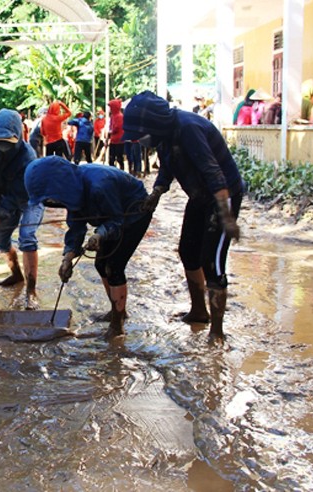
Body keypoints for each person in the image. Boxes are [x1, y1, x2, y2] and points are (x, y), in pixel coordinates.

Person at [122, 90, 243, 341]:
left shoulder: (188, 128)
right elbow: (169, 166)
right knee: (188, 250)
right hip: (200, 196)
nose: (139, 141)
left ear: (153, 125)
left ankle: (217, 332)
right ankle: (199, 311)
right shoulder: (165, 135)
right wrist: (156, 192)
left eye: (141, 135)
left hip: (222, 195)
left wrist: (226, 216)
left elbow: (212, 171)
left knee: (213, 261)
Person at [24, 156, 152, 340]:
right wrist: (67, 258)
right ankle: (117, 310)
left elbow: (116, 221)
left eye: (52, 198)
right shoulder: (72, 190)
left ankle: (117, 326)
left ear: (60, 186)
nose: (53, 203)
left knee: (114, 266)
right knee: (100, 265)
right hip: (111, 217)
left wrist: (100, 234)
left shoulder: (99, 186)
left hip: (134, 213)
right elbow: (76, 227)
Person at [0, 109, 44, 310]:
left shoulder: (28, 157)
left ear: (18, 136)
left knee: (27, 236)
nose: (2, 146)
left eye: (7, 141)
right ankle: (16, 274)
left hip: (29, 197)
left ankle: (31, 291)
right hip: (3, 194)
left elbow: (16, 197)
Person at [107, 99, 125, 170]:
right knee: (111, 157)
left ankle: (121, 170)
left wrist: (111, 132)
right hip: (113, 140)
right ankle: (112, 170)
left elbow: (117, 127)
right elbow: (111, 126)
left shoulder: (120, 116)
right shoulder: (112, 116)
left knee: (119, 157)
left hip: (119, 140)